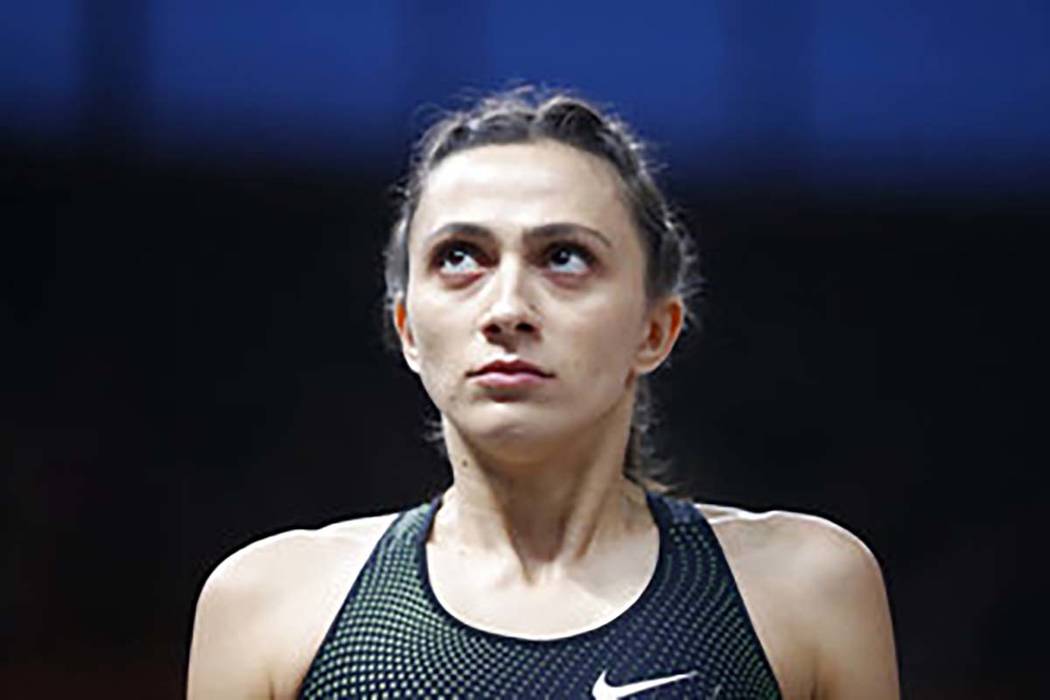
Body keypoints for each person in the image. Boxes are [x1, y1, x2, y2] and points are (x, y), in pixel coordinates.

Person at [187, 89, 899, 699]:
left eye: (565, 257)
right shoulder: (269, 607)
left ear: (655, 329)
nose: (507, 309)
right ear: (408, 329)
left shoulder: (807, 591)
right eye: (459, 257)